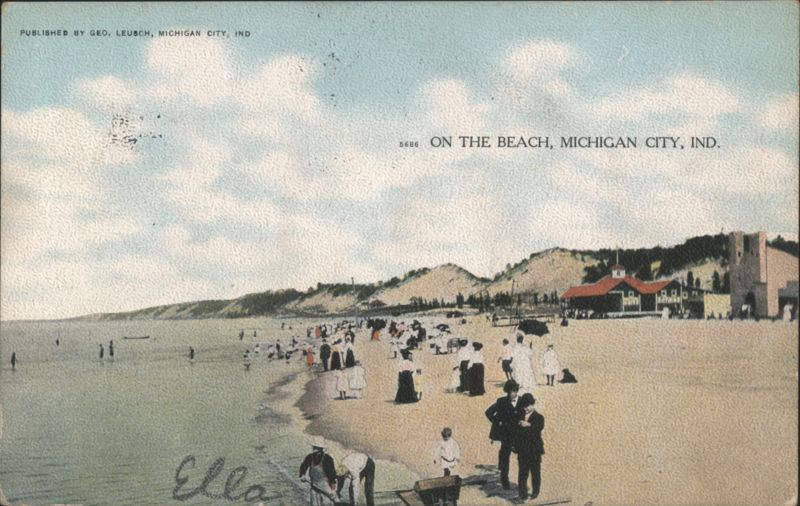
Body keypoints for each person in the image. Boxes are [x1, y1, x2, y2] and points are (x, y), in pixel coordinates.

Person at [484, 380, 521, 489]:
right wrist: (498, 422)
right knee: (505, 456)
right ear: (507, 392)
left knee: (522, 456)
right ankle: (504, 480)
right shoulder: (501, 401)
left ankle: (521, 482)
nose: (512, 394)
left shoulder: (522, 401)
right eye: (510, 392)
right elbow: (488, 412)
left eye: (514, 391)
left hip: (519, 435)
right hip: (506, 434)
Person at [514, 393, 545, 500]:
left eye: (527, 406)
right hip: (523, 450)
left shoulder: (539, 417)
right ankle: (522, 494)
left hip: (535, 450)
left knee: (535, 472)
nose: (525, 408)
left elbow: (539, 428)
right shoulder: (519, 416)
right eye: (524, 406)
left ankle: (536, 492)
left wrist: (528, 425)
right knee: (522, 473)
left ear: (533, 405)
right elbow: (516, 433)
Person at [299, 440, 337, 505]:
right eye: (314, 447)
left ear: (320, 449)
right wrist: (302, 474)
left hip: (325, 485)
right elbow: (304, 466)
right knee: (314, 503)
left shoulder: (328, 459)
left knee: (327, 503)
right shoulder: (310, 457)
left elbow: (332, 475)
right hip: (314, 484)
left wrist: (333, 489)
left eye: (315, 447)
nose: (313, 449)